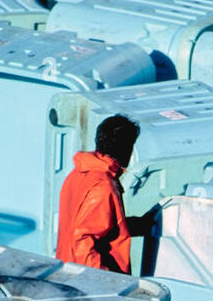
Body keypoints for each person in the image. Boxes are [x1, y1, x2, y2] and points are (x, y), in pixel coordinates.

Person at [55, 115, 146, 273]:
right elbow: (82, 239)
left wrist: (140, 225)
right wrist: (105, 281)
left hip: (67, 271)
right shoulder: (104, 185)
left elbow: (98, 225)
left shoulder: (78, 174)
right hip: (90, 282)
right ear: (126, 148)